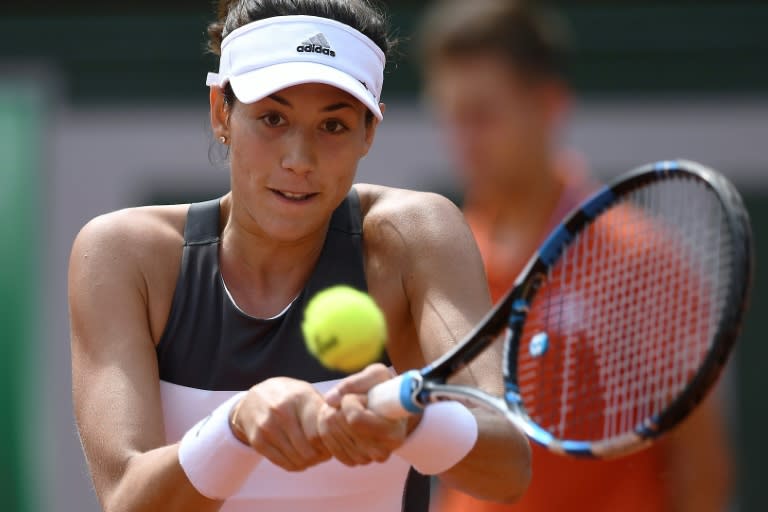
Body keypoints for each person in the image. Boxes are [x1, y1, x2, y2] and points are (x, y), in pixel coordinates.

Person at [68, 1, 533, 511]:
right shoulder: (123, 255)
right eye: (273, 118)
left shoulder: (415, 236)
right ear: (221, 111)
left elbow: (508, 467)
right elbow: (125, 501)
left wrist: (415, 422)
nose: (299, 160)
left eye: (332, 126)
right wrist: (236, 424)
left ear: (368, 132)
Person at [419, 1, 735, 511]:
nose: (465, 142)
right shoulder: (445, 253)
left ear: (548, 105)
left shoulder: (640, 260)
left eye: (482, 116)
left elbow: (702, 472)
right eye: (453, 117)